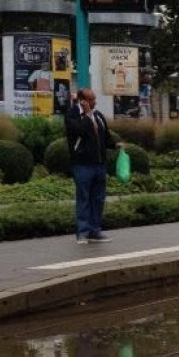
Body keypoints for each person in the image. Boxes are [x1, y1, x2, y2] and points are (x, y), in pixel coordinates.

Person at [65, 88, 121, 244]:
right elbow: (79, 131)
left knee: (98, 199)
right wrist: (87, 115)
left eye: (94, 99)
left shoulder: (98, 116)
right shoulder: (72, 115)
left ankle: (94, 231)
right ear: (82, 101)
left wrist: (116, 145)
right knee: (84, 198)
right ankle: (83, 233)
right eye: (91, 100)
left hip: (99, 164)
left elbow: (105, 137)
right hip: (82, 164)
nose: (95, 102)